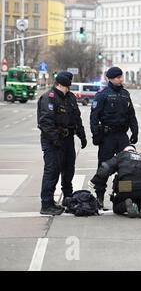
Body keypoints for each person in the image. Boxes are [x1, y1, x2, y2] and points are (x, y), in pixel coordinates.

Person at [37, 72, 87, 215]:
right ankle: (47, 204)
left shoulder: (70, 97)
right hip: (53, 141)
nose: (68, 88)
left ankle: (67, 197)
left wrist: (82, 136)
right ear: (61, 84)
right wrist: (55, 140)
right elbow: (45, 123)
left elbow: (76, 119)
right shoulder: (49, 98)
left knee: (68, 169)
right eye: (67, 85)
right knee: (52, 171)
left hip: (68, 139)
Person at [89, 67, 139, 209]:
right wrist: (96, 135)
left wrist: (135, 131)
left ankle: (123, 197)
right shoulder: (102, 94)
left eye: (121, 77)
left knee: (126, 167)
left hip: (122, 136)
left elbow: (131, 115)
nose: (121, 80)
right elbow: (94, 117)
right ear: (110, 79)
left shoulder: (125, 94)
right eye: (118, 78)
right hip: (107, 136)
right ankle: (99, 197)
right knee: (104, 167)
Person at [94, 146, 141, 218]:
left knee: (116, 206)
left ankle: (126, 205)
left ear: (125, 151)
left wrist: (96, 179)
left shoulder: (122, 155)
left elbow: (106, 167)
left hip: (126, 186)